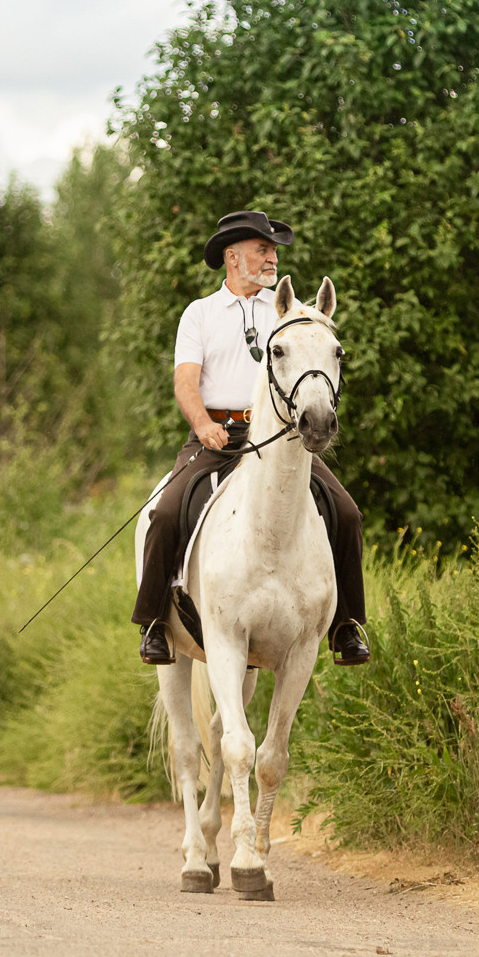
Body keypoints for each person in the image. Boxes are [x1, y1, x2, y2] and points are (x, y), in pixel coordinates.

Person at [131, 210, 371, 667]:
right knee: (164, 512)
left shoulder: (286, 310)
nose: (271, 258)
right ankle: (155, 623)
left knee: (347, 512)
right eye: (263, 250)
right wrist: (202, 424)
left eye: (273, 251)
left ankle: (345, 625)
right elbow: (186, 380)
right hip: (215, 435)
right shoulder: (199, 314)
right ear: (232, 256)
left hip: (279, 437)